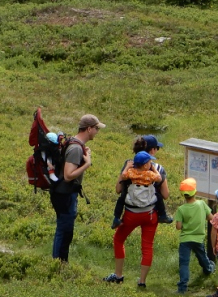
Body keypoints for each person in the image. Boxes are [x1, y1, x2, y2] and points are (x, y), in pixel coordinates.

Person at [50, 113, 104, 263]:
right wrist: (86, 164)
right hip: (65, 195)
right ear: (88, 129)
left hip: (63, 193)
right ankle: (58, 264)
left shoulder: (75, 144)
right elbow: (68, 175)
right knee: (64, 231)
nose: (97, 132)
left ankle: (59, 262)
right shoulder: (76, 149)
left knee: (64, 230)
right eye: (96, 129)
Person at [104, 151, 161, 288]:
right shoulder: (151, 174)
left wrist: (126, 168)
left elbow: (119, 185)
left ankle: (118, 275)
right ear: (146, 164)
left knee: (118, 239)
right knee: (147, 247)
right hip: (150, 214)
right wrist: (153, 169)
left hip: (132, 214)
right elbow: (159, 180)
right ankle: (142, 281)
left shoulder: (131, 173)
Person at [111, 134, 172, 228]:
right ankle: (163, 216)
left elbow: (118, 189)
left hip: (130, 211)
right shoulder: (158, 168)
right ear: (152, 150)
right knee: (147, 242)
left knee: (119, 239)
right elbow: (165, 195)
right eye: (157, 148)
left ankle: (116, 219)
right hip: (150, 212)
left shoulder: (128, 166)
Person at [175, 177, 215, 294]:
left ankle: (182, 287)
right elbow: (211, 218)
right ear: (195, 192)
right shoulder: (202, 204)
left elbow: (178, 227)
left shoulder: (181, 209)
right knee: (202, 256)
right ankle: (208, 269)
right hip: (198, 239)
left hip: (185, 240)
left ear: (183, 194)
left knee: (184, 263)